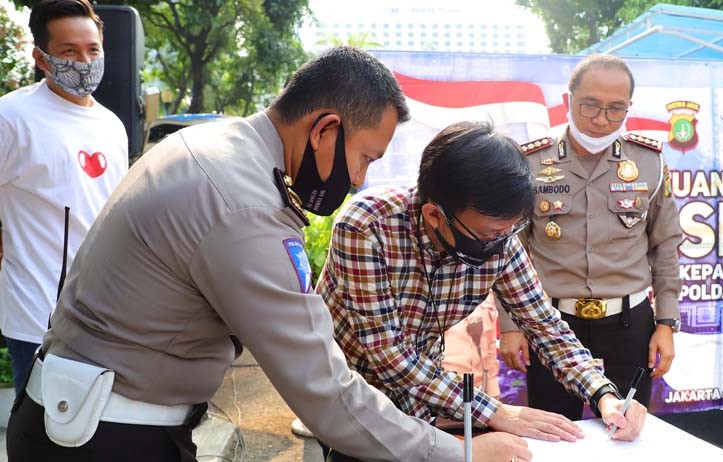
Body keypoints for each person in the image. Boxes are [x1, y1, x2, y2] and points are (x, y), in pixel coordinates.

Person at [5, 47, 532, 462]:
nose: (359, 180)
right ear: (325, 129)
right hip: (105, 439)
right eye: (364, 157)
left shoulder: (217, 150)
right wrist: (460, 452)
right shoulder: (246, 207)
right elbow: (324, 388)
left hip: (87, 416)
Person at [317, 120, 647, 460]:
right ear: (435, 215)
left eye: (509, 230)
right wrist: (494, 412)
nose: (501, 243)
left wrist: (604, 395)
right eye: (490, 234)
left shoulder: (498, 239)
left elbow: (545, 327)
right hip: (352, 395)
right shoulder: (367, 228)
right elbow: (389, 357)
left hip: (423, 397)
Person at [499, 53, 683, 420]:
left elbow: (665, 246)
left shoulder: (647, 162)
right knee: (556, 431)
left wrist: (666, 324)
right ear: (568, 101)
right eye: (590, 106)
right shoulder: (531, 162)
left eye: (615, 109)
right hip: (551, 325)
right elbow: (508, 250)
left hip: (630, 326)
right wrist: (510, 326)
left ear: (629, 107)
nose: (601, 120)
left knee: (626, 430)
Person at [0, 0, 127, 396]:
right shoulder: (12, 117)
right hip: (38, 320)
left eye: (93, 50)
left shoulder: (111, 125)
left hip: (106, 317)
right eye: (68, 51)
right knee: (42, 440)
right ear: (41, 57)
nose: (84, 61)